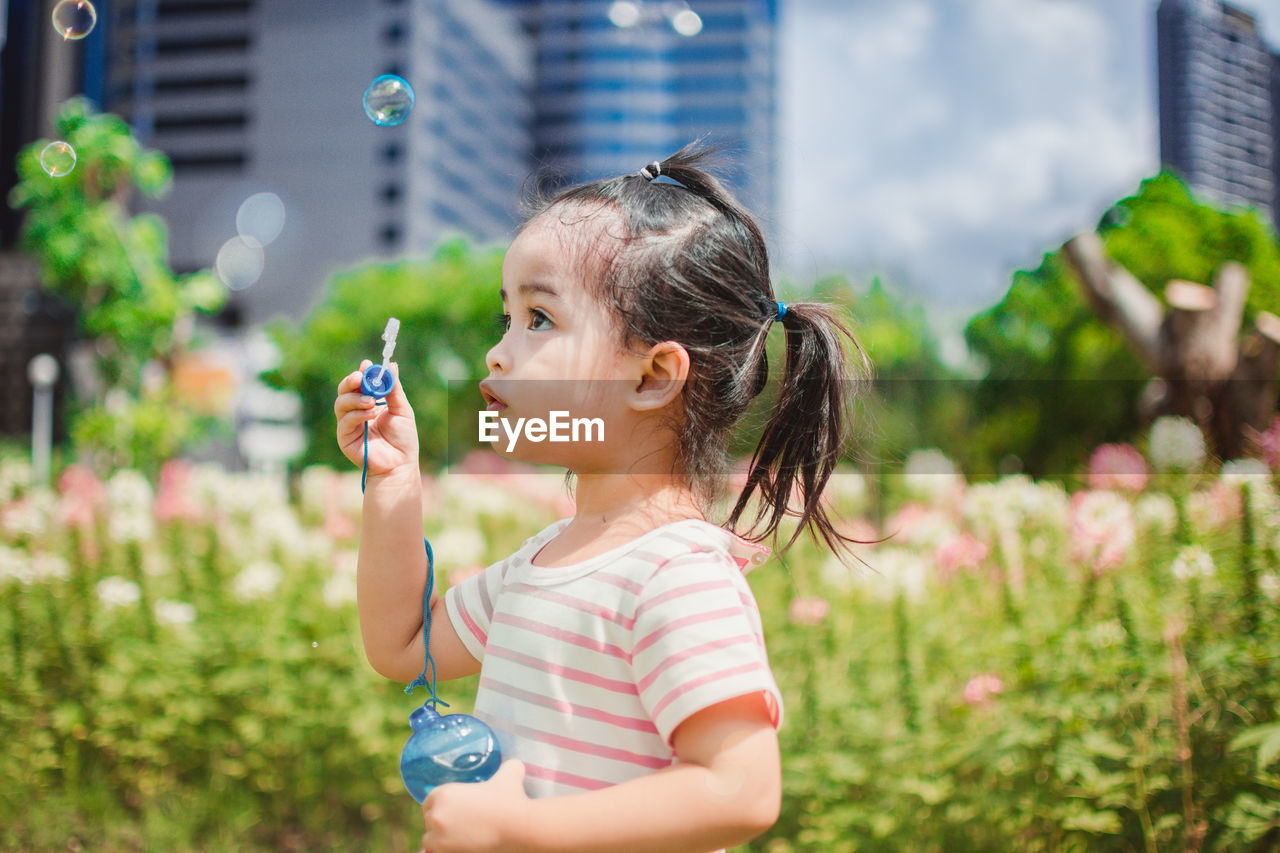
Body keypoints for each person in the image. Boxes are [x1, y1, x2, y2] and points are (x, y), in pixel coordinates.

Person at [333, 141, 868, 853]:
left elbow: (741, 787)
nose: (498, 352)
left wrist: (518, 828)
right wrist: (396, 482)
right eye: (507, 318)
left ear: (651, 377)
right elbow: (404, 644)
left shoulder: (673, 575)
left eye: (539, 319)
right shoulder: (543, 562)